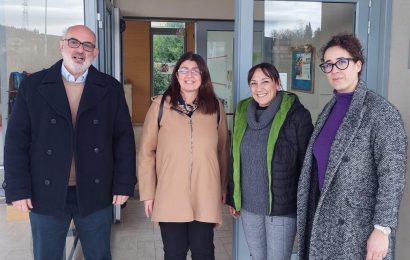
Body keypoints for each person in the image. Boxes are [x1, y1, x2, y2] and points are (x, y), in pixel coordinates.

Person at [2, 25, 136, 260]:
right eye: (74, 42)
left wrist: (124, 183)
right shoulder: (33, 87)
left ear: (95, 52)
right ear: (61, 45)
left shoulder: (110, 88)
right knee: (47, 256)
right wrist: (18, 188)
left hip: (96, 190)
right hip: (45, 192)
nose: (80, 50)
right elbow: (15, 142)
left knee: (99, 255)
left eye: (88, 45)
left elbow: (123, 139)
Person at [297, 33, 407, 260]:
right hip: (325, 216)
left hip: (358, 225)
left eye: (342, 62)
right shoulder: (330, 108)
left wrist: (382, 228)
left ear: (358, 64)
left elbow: (392, 175)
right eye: (328, 64)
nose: (334, 69)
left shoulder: (381, 112)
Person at [138, 52, 229, 260]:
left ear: (203, 76)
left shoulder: (216, 108)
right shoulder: (160, 105)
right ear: (176, 75)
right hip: (169, 193)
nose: (190, 75)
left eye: (195, 70)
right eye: (184, 70)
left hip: (205, 192)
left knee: (203, 252)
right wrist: (148, 192)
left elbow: (223, 150)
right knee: (174, 253)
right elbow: (146, 151)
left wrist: (223, 186)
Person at [227, 62, 313, 260]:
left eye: (265, 81)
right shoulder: (242, 113)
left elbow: (306, 165)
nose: (259, 88)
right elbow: (235, 159)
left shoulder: (297, 115)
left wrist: (305, 204)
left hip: (282, 208)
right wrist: (234, 196)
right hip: (249, 207)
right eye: (253, 83)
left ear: (277, 83)